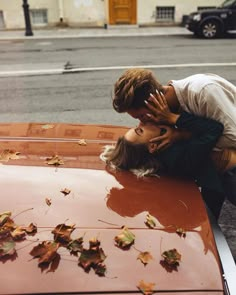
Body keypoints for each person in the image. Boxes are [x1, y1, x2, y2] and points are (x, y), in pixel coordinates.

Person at [102, 94, 236, 219]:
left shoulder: (164, 148)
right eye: (140, 130)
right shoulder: (178, 159)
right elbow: (215, 128)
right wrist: (174, 119)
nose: (142, 123)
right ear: (152, 146)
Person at [112, 68, 236, 150]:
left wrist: (181, 135)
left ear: (154, 101)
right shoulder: (172, 109)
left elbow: (233, 138)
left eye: (142, 116)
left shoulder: (203, 92)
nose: (141, 123)